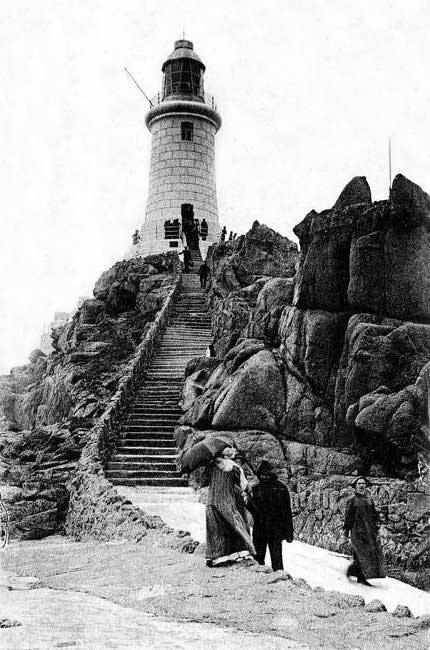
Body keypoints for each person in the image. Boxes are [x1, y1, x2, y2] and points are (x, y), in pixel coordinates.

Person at [205, 448, 255, 567]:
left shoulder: (210, 467)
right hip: (227, 501)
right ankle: (241, 552)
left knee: (215, 529)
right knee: (236, 526)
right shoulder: (233, 467)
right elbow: (244, 485)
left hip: (212, 501)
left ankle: (215, 557)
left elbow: (204, 482)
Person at [248, 460, 293, 571]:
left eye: (267, 474)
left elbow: (287, 512)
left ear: (271, 474)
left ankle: (279, 578)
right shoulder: (255, 489)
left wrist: (289, 532)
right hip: (260, 528)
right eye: (262, 474)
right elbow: (250, 508)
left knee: (277, 560)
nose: (264, 477)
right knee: (258, 558)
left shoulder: (281, 488)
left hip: (275, 529)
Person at [343, 476, 386, 585]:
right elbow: (348, 516)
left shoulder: (369, 500)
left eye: (363, 483)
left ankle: (358, 574)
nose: (361, 485)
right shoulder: (352, 500)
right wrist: (346, 530)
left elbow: (373, 515)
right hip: (357, 530)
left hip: (369, 531)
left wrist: (378, 523)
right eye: (359, 484)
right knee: (360, 553)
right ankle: (355, 574)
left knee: (368, 553)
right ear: (355, 486)